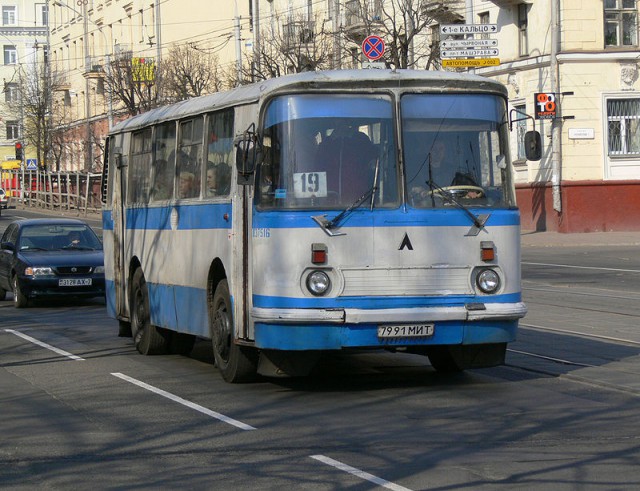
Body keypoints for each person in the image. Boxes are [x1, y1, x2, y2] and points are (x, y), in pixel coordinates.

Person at [315, 122, 378, 202]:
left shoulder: (361, 140)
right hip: (329, 199)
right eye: (337, 121)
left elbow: (374, 163)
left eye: (343, 121)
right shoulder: (325, 145)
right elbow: (317, 169)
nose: (340, 125)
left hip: (359, 199)